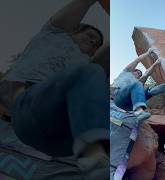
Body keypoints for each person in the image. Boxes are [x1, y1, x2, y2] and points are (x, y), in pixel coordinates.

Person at [0, 0, 109, 178]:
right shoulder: (54, 34)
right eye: (89, 35)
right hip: (28, 112)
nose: (93, 41)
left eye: (96, 43)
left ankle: (101, 163)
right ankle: (94, 155)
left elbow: (105, 54)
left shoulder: (89, 66)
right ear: (74, 31)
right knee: (87, 73)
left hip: (63, 137)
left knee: (92, 73)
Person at [111, 48, 165, 118]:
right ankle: (139, 112)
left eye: (139, 75)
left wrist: (157, 62)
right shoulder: (126, 73)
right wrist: (148, 53)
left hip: (128, 106)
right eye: (137, 72)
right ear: (133, 71)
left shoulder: (137, 84)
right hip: (117, 97)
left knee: (149, 92)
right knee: (137, 84)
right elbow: (137, 60)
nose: (138, 74)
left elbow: (146, 74)